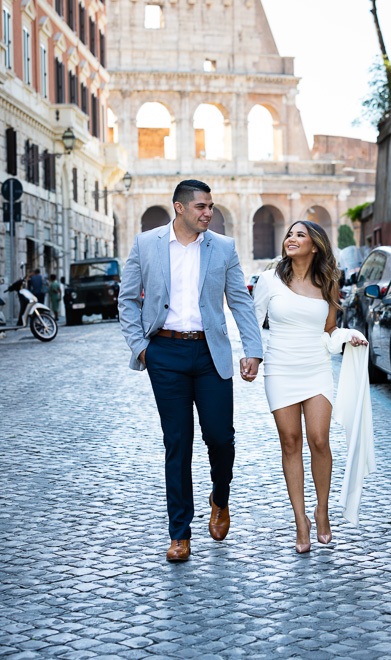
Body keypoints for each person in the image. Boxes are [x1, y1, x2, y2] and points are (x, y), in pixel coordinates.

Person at [118, 180, 263, 563]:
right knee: (177, 443)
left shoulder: (223, 247)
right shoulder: (146, 244)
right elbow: (128, 300)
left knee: (220, 438)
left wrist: (253, 350)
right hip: (164, 352)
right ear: (180, 209)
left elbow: (240, 303)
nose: (208, 213)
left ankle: (220, 495)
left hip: (210, 352)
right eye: (201, 207)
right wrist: (142, 349)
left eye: (211, 206)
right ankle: (179, 533)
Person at [254, 221, 368, 554]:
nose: (291, 238)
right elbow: (252, 319)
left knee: (319, 439)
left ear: (315, 245)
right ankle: (300, 520)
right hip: (279, 368)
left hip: (316, 367)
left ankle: (322, 509)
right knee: (290, 442)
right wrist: (252, 358)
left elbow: (330, 330)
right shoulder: (269, 279)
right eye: (290, 234)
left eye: (300, 235)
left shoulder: (327, 282)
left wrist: (348, 337)